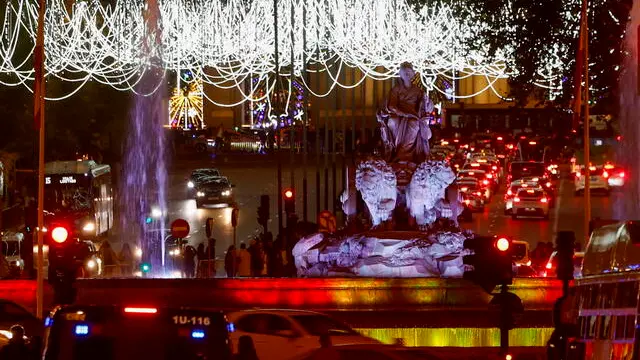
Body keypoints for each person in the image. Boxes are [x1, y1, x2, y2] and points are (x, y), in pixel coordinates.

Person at [380, 62, 433, 163]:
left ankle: (403, 154)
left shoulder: (418, 91)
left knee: (414, 123)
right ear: (400, 74)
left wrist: (427, 103)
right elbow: (391, 105)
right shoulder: (396, 89)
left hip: (413, 115)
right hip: (398, 114)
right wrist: (402, 113)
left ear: (413, 74)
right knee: (393, 121)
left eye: (409, 72)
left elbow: (426, 105)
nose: (407, 74)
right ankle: (396, 152)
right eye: (404, 72)